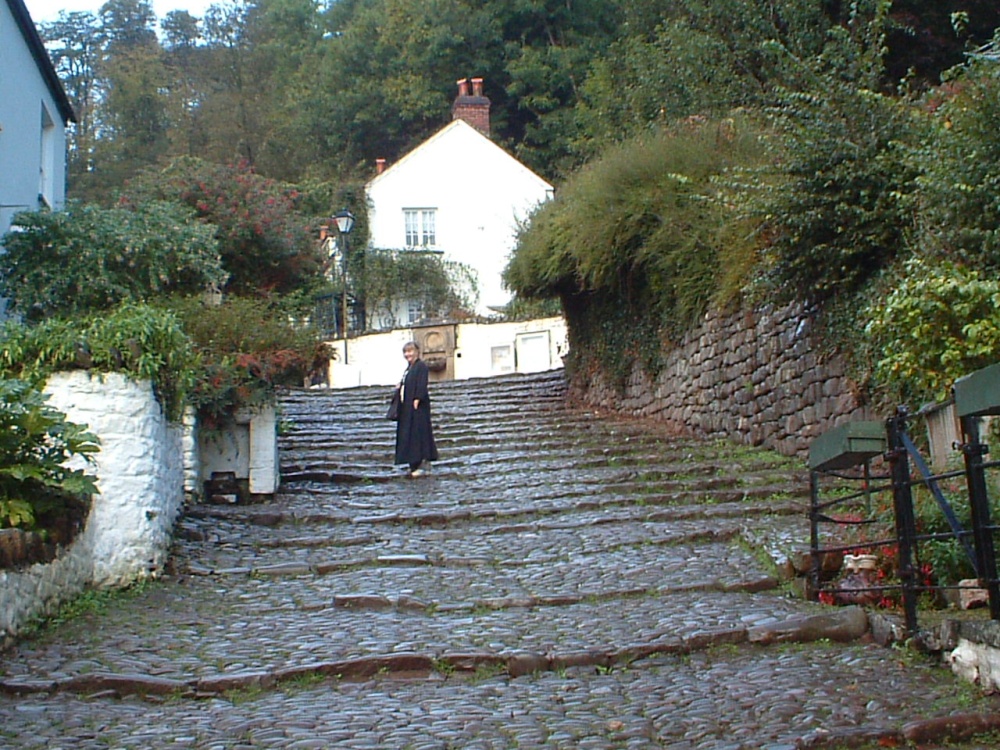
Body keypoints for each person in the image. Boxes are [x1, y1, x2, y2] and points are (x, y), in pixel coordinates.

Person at [394, 341, 439, 477]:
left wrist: (417, 398)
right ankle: (412, 463)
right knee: (409, 434)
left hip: (417, 407)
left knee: (418, 434)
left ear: (417, 352)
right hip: (407, 407)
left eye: (410, 351)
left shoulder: (421, 366)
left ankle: (420, 463)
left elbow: (421, 384)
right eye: (406, 352)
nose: (408, 354)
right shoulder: (409, 368)